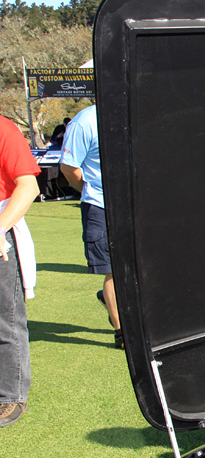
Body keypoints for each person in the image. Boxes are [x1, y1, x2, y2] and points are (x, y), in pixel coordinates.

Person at [60, 105, 123, 349]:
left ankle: (113, 304)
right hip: (100, 206)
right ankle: (122, 334)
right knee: (114, 271)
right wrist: (89, 190)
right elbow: (69, 167)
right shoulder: (85, 121)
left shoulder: (138, 110)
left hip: (136, 207)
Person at [0, 116, 39, 428]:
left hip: (2, 227)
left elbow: (28, 186)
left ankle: (11, 397)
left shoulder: (3, 129)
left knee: (6, 318)